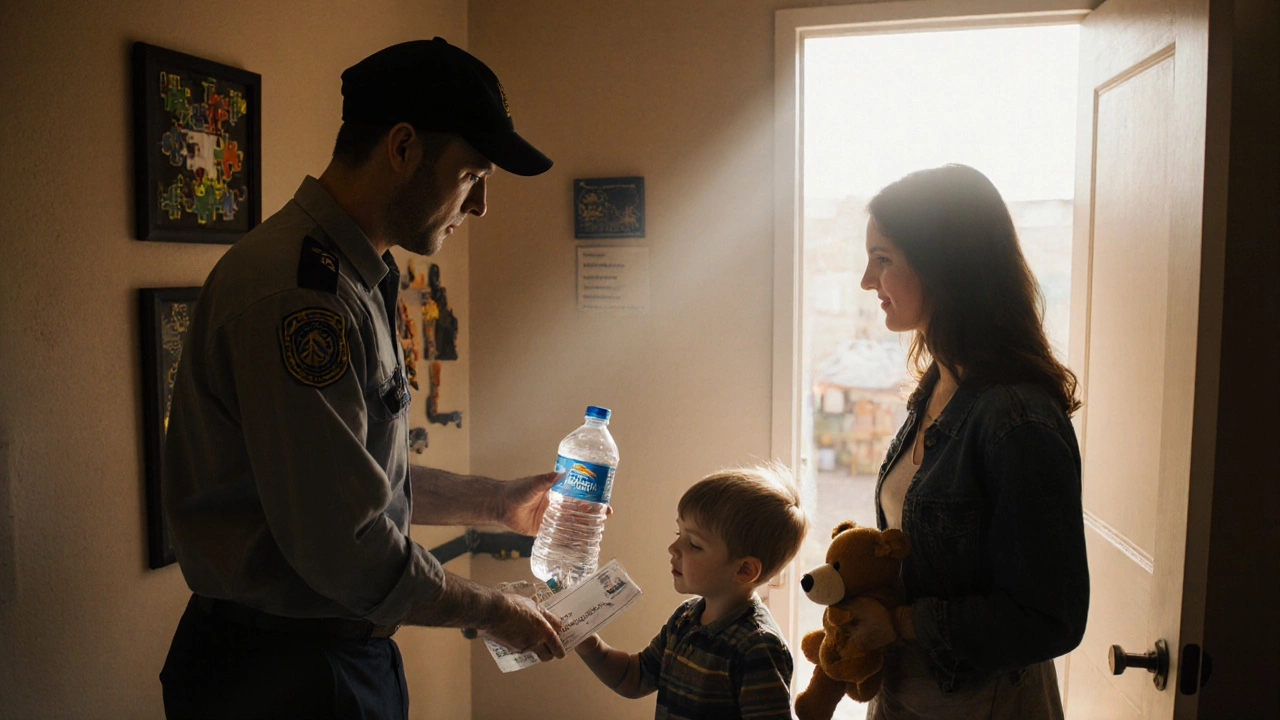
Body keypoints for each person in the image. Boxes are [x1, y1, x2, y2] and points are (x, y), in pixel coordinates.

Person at [158, 38, 566, 720]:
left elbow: (352, 480)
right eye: (471, 175)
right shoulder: (301, 296)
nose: (482, 206)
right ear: (402, 147)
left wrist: (496, 504)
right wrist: (495, 609)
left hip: (328, 658)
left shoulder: (354, 276)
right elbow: (345, 543)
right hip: (281, 678)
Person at [857, 164, 1089, 719]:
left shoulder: (1017, 419)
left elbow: (1049, 616)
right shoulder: (936, 388)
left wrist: (901, 623)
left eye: (883, 259)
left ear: (942, 266)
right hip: (905, 696)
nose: (867, 281)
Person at [574, 464, 810, 720]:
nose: (673, 547)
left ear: (744, 570)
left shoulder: (758, 647)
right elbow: (635, 677)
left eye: (694, 544)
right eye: (679, 533)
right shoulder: (684, 619)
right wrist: (586, 640)